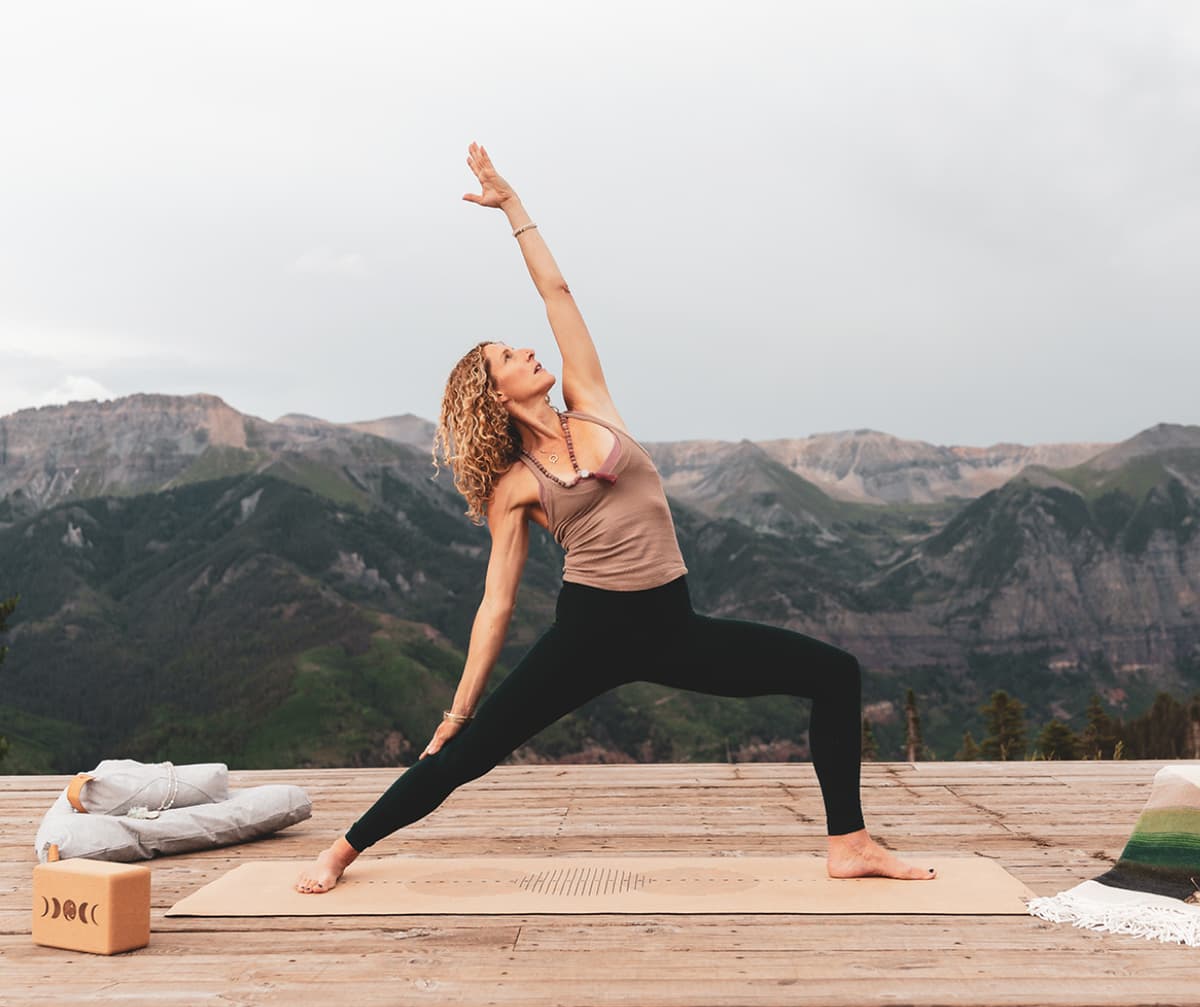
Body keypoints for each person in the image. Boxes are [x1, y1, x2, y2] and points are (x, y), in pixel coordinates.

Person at [294, 142, 936, 894]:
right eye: (509, 354)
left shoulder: (589, 397)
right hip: (588, 632)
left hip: (672, 625)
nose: (528, 350)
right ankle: (341, 849)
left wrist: (513, 208)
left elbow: (558, 293)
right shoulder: (515, 486)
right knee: (468, 752)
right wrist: (457, 707)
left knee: (834, 673)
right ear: (495, 394)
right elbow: (497, 601)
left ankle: (849, 842)